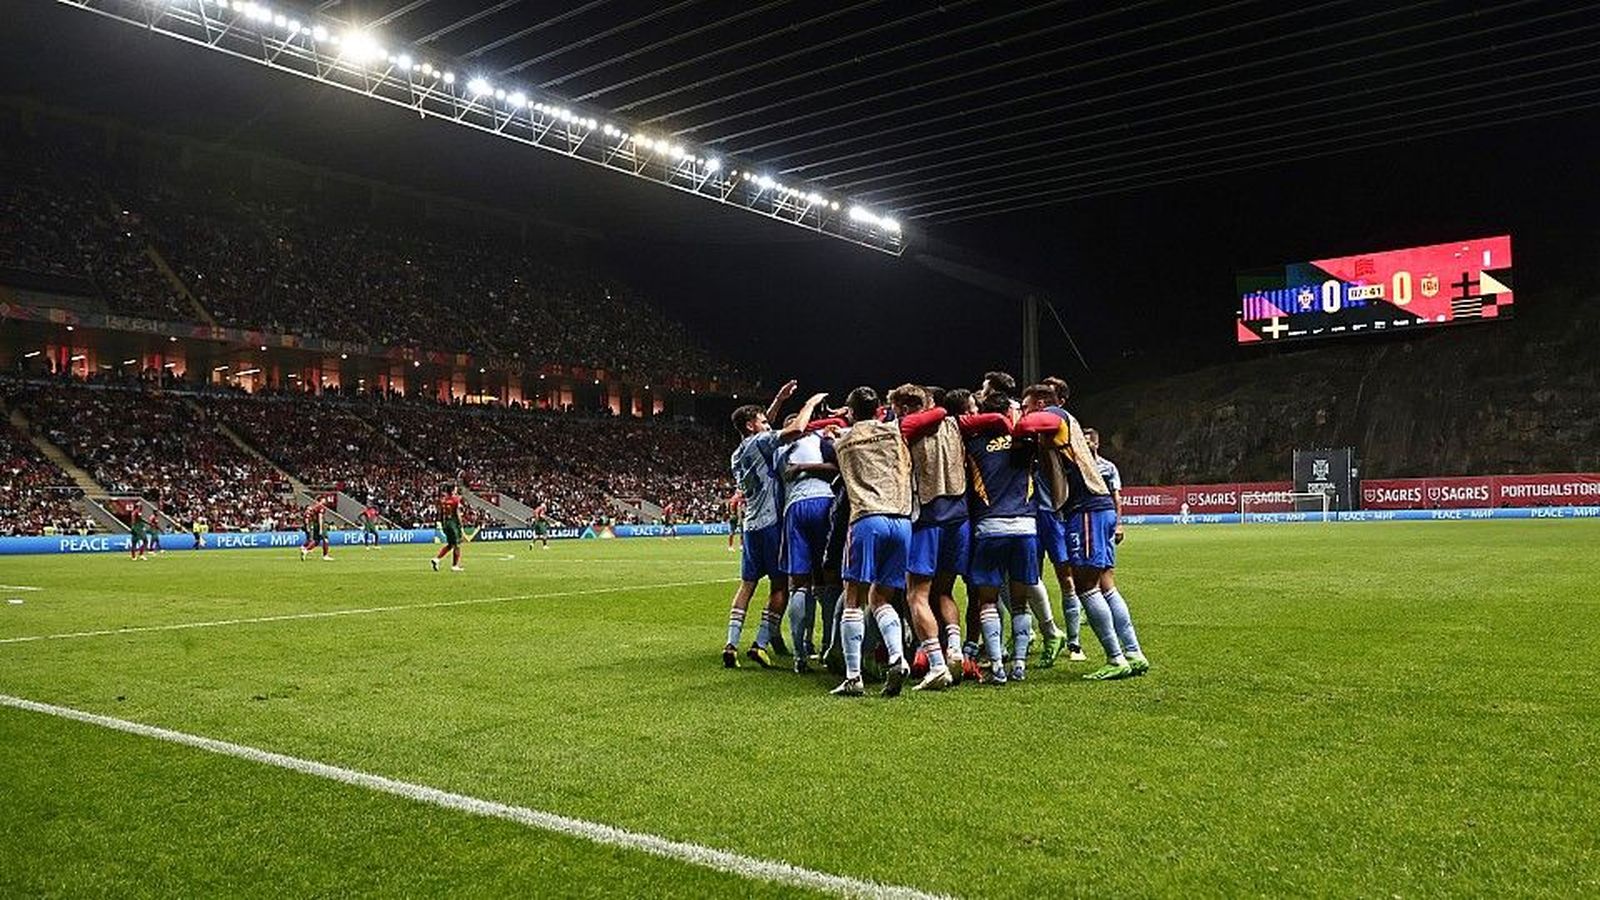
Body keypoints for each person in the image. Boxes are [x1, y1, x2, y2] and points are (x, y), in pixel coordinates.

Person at [1016, 403, 1150, 681]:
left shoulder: (1055, 417)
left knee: (1085, 586)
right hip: (1096, 508)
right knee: (1106, 585)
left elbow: (1025, 426)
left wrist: (1019, 421)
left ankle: (1116, 658)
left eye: (1028, 404)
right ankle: (1134, 653)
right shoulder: (1068, 428)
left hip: (1086, 509)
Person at [721, 380, 821, 669]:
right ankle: (760, 644)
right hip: (772, 524)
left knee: (746, 587)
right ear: (751, 426)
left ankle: (731, 644)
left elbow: (767, 427)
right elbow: (795, 430)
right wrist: (809, 405)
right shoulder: (761, 441)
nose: (768, 424)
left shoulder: (737, 453)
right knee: (781, 587)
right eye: (762, 421)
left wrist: (779, 398)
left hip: (750, 527)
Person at [889, 383, 974, 691]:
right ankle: (954, 648)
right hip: (959, 517)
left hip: (926, 517)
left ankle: (936, 663)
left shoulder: (905, 427)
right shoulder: (956, 424)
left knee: (916, 595)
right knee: (945, 592)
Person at [962, 381, 1043, 685]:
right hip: (1025, 526)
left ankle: (996, 665)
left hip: (990, 526)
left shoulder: (973, 444)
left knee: (987, 601)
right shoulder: (1028, 442)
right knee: (1020, 602)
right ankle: (1019, 664)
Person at [1021, 381, 1085, 666]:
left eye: (1026, 406)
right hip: (1029, 517)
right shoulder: (1028, 437)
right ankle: (1033, 634)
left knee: (1066, 578)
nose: (1023, 412)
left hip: (1054, 515)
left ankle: (1074, 642)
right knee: (1026, 579)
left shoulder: (1054, 427)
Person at [777, 415, 840, 674]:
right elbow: (835, 468)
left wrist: (801, 470)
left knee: (798, 584)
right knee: (828, 580)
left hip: (794, 508)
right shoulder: (820, 439)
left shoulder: (780, 448)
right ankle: (827, 645)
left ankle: (800, 655)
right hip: (823, 502)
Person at [431, 485, 465, 571]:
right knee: (457, 545)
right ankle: (455, 566)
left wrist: (442, 524)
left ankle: (437, 559)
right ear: (453, 490)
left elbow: (441, 513)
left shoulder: (444, 500)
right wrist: (461, 524)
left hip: (445, 523)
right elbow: (457, 513)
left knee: (450, 545)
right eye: (456, 488)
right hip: (453, 523)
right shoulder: (455, 500)